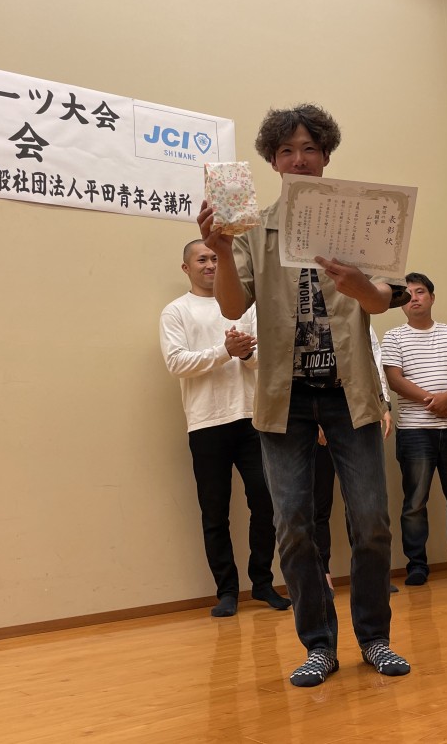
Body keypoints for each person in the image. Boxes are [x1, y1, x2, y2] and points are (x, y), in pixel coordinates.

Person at [197, 103, 411, 687]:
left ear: (326, 156)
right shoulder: (251, 228)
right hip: (284, 399)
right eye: (287, 150)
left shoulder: (359, 217)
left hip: (351, 393)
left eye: (309, 148)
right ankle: (318, 645)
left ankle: (375, 638)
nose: (299, 159)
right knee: (293, 525)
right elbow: (232, 306)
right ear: (272, 161)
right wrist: (220, 249)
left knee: (371, 522)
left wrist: (361, 284)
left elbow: (380, 301)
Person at [159, 240, 291, 617]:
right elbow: (176, 363)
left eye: (216, 258)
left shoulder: (247, 308)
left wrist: (246, 353)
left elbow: (265, 360)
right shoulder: (176, 311)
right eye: (202, 259)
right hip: (205, 423)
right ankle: (227, 591)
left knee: (266, 501)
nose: (210, 264)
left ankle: (262, 583)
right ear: (186, 268)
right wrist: (225, 351)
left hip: (252, 418)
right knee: (214, 511)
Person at [381, 271, 447, 586]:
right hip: (414, 431)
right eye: (408, 294)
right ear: (400, 302)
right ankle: (417, 566)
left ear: (432, 297)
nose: (414, 298)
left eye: (420, 292)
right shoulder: (393, 337)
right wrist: (434, 401)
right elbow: (394, 380)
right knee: (414, 503)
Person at [313, 328, 394, 592]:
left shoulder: (359, 314)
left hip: (358, 413)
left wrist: (384, 404)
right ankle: (322, 572)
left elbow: (374, 358)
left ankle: (370, 576)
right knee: (319, 502)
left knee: (364, 505)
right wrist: (314, 421)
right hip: (315, 418)